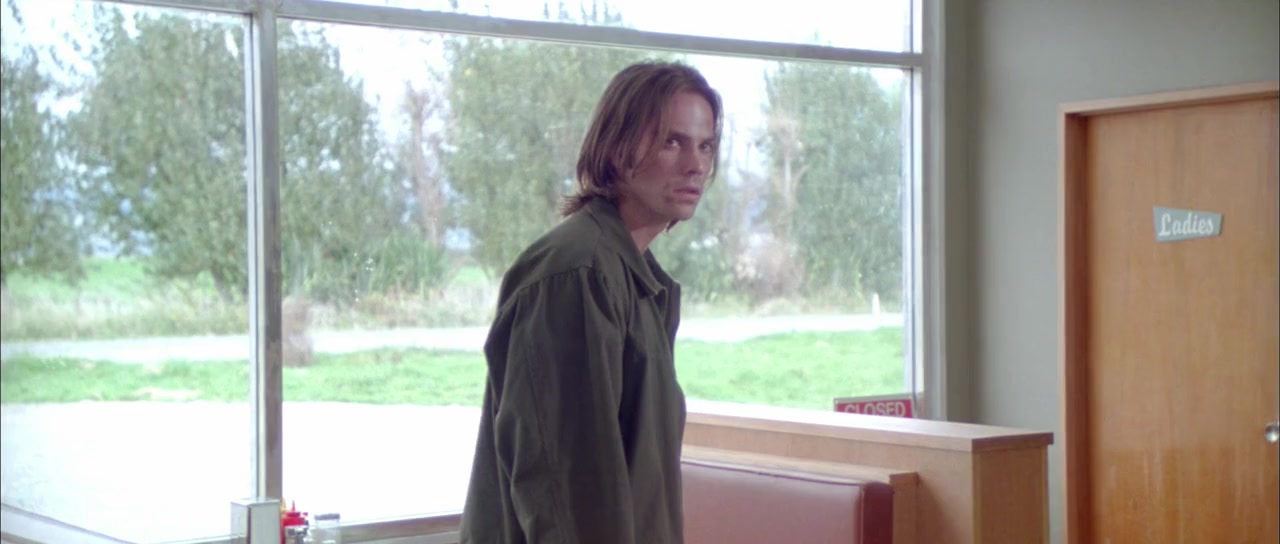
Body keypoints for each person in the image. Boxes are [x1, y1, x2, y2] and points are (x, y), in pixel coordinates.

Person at [459, 61, 723, 544]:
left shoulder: (632, 278)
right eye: (672, 141)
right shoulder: (577, 274)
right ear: (618, 148)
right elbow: (566, 491)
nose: (696, 165)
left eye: (705, 145)